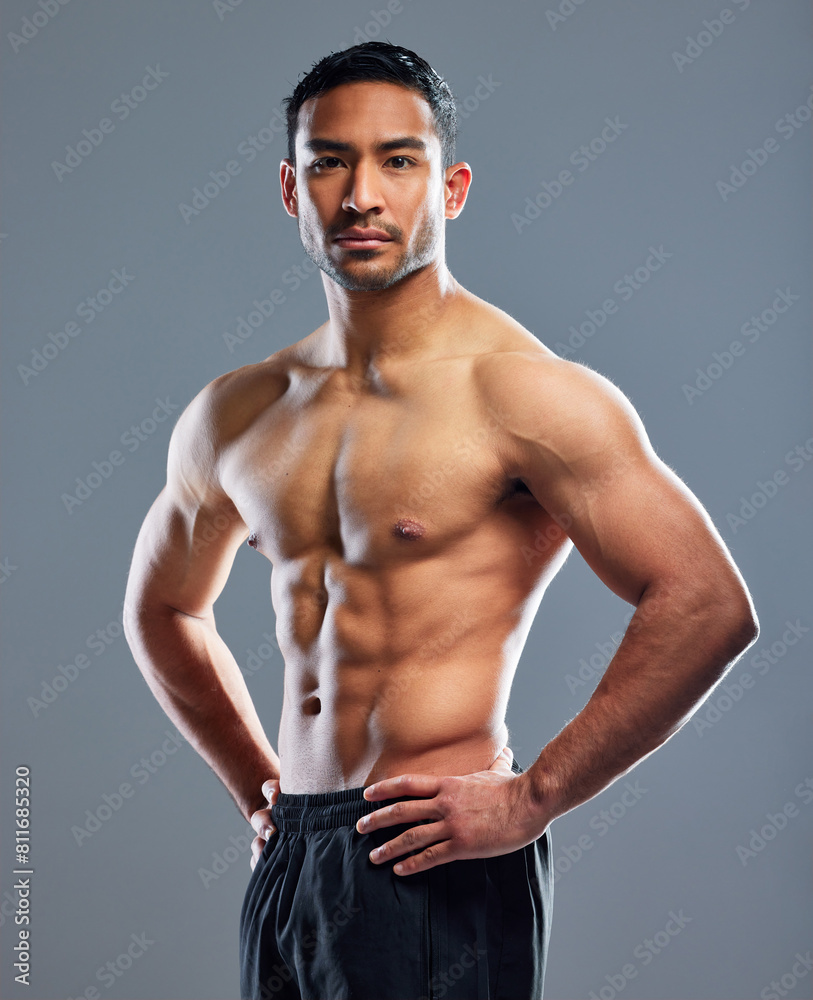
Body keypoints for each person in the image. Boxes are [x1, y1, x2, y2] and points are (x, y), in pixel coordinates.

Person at [123, 41, 759, 1000]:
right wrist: (260, 790)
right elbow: (163, 609)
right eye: (329, 162)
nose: (361, 195)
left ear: (451, 187)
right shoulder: (239, 412)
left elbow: (708, 604)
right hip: (291, 861)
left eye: (398, 160)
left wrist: (534, 798)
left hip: (433, 864)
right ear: (291, 191)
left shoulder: (524, 393)